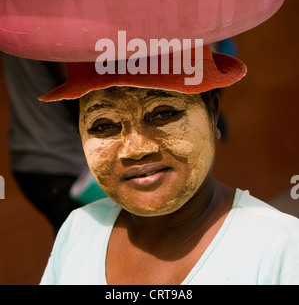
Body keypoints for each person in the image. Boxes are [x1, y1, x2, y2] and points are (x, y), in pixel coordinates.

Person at [38, 46, 299, 285]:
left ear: (213, 113)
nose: (136, 150)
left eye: (163, 114)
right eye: (104, 125)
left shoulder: (282, 249)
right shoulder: (79, 230)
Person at [1, 54, 88, 233]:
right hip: (65, 162)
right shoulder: (48, 34)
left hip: (29, 159)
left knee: (76, 244)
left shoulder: (9, 29)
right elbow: (76, 87)